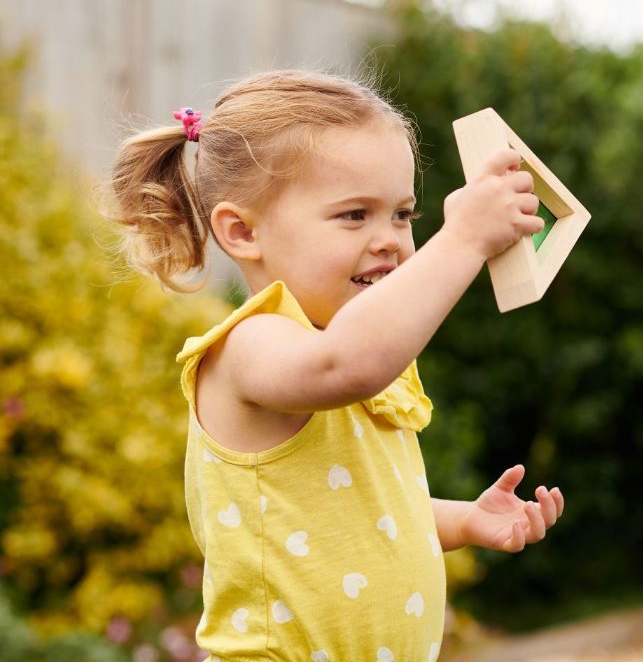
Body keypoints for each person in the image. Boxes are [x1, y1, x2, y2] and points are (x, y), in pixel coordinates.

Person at [108, 70, 564, 662]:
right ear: (243, 231)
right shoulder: (253, 346)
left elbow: (357, 514)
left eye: (403, 215)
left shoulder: (342, 353)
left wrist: (464, 521)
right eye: (355, 215)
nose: (390, 240)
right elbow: (348, 362)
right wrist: (464, 240)